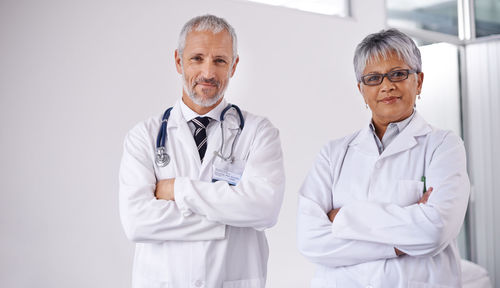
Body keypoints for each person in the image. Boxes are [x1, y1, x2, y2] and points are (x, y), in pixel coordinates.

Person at [119, 15, 285, 288]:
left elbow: (264, 208)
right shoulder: (144, 136)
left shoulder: (258, 132)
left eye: (220, 60)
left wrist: (179, 190)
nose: (208, 73)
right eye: (197, 58)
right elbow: (137, 223)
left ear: (234, 66)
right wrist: (227, 219)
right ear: (178, 61)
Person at [297, 29, 470, 287]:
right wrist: (400, 243)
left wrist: (343, 218)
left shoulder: (444, 146)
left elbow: (434, 231)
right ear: (361, 90)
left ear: (418, 81)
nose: (386, 86)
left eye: (398, 74)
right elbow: (310, 240)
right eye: (373, 78)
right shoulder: (333, 154)